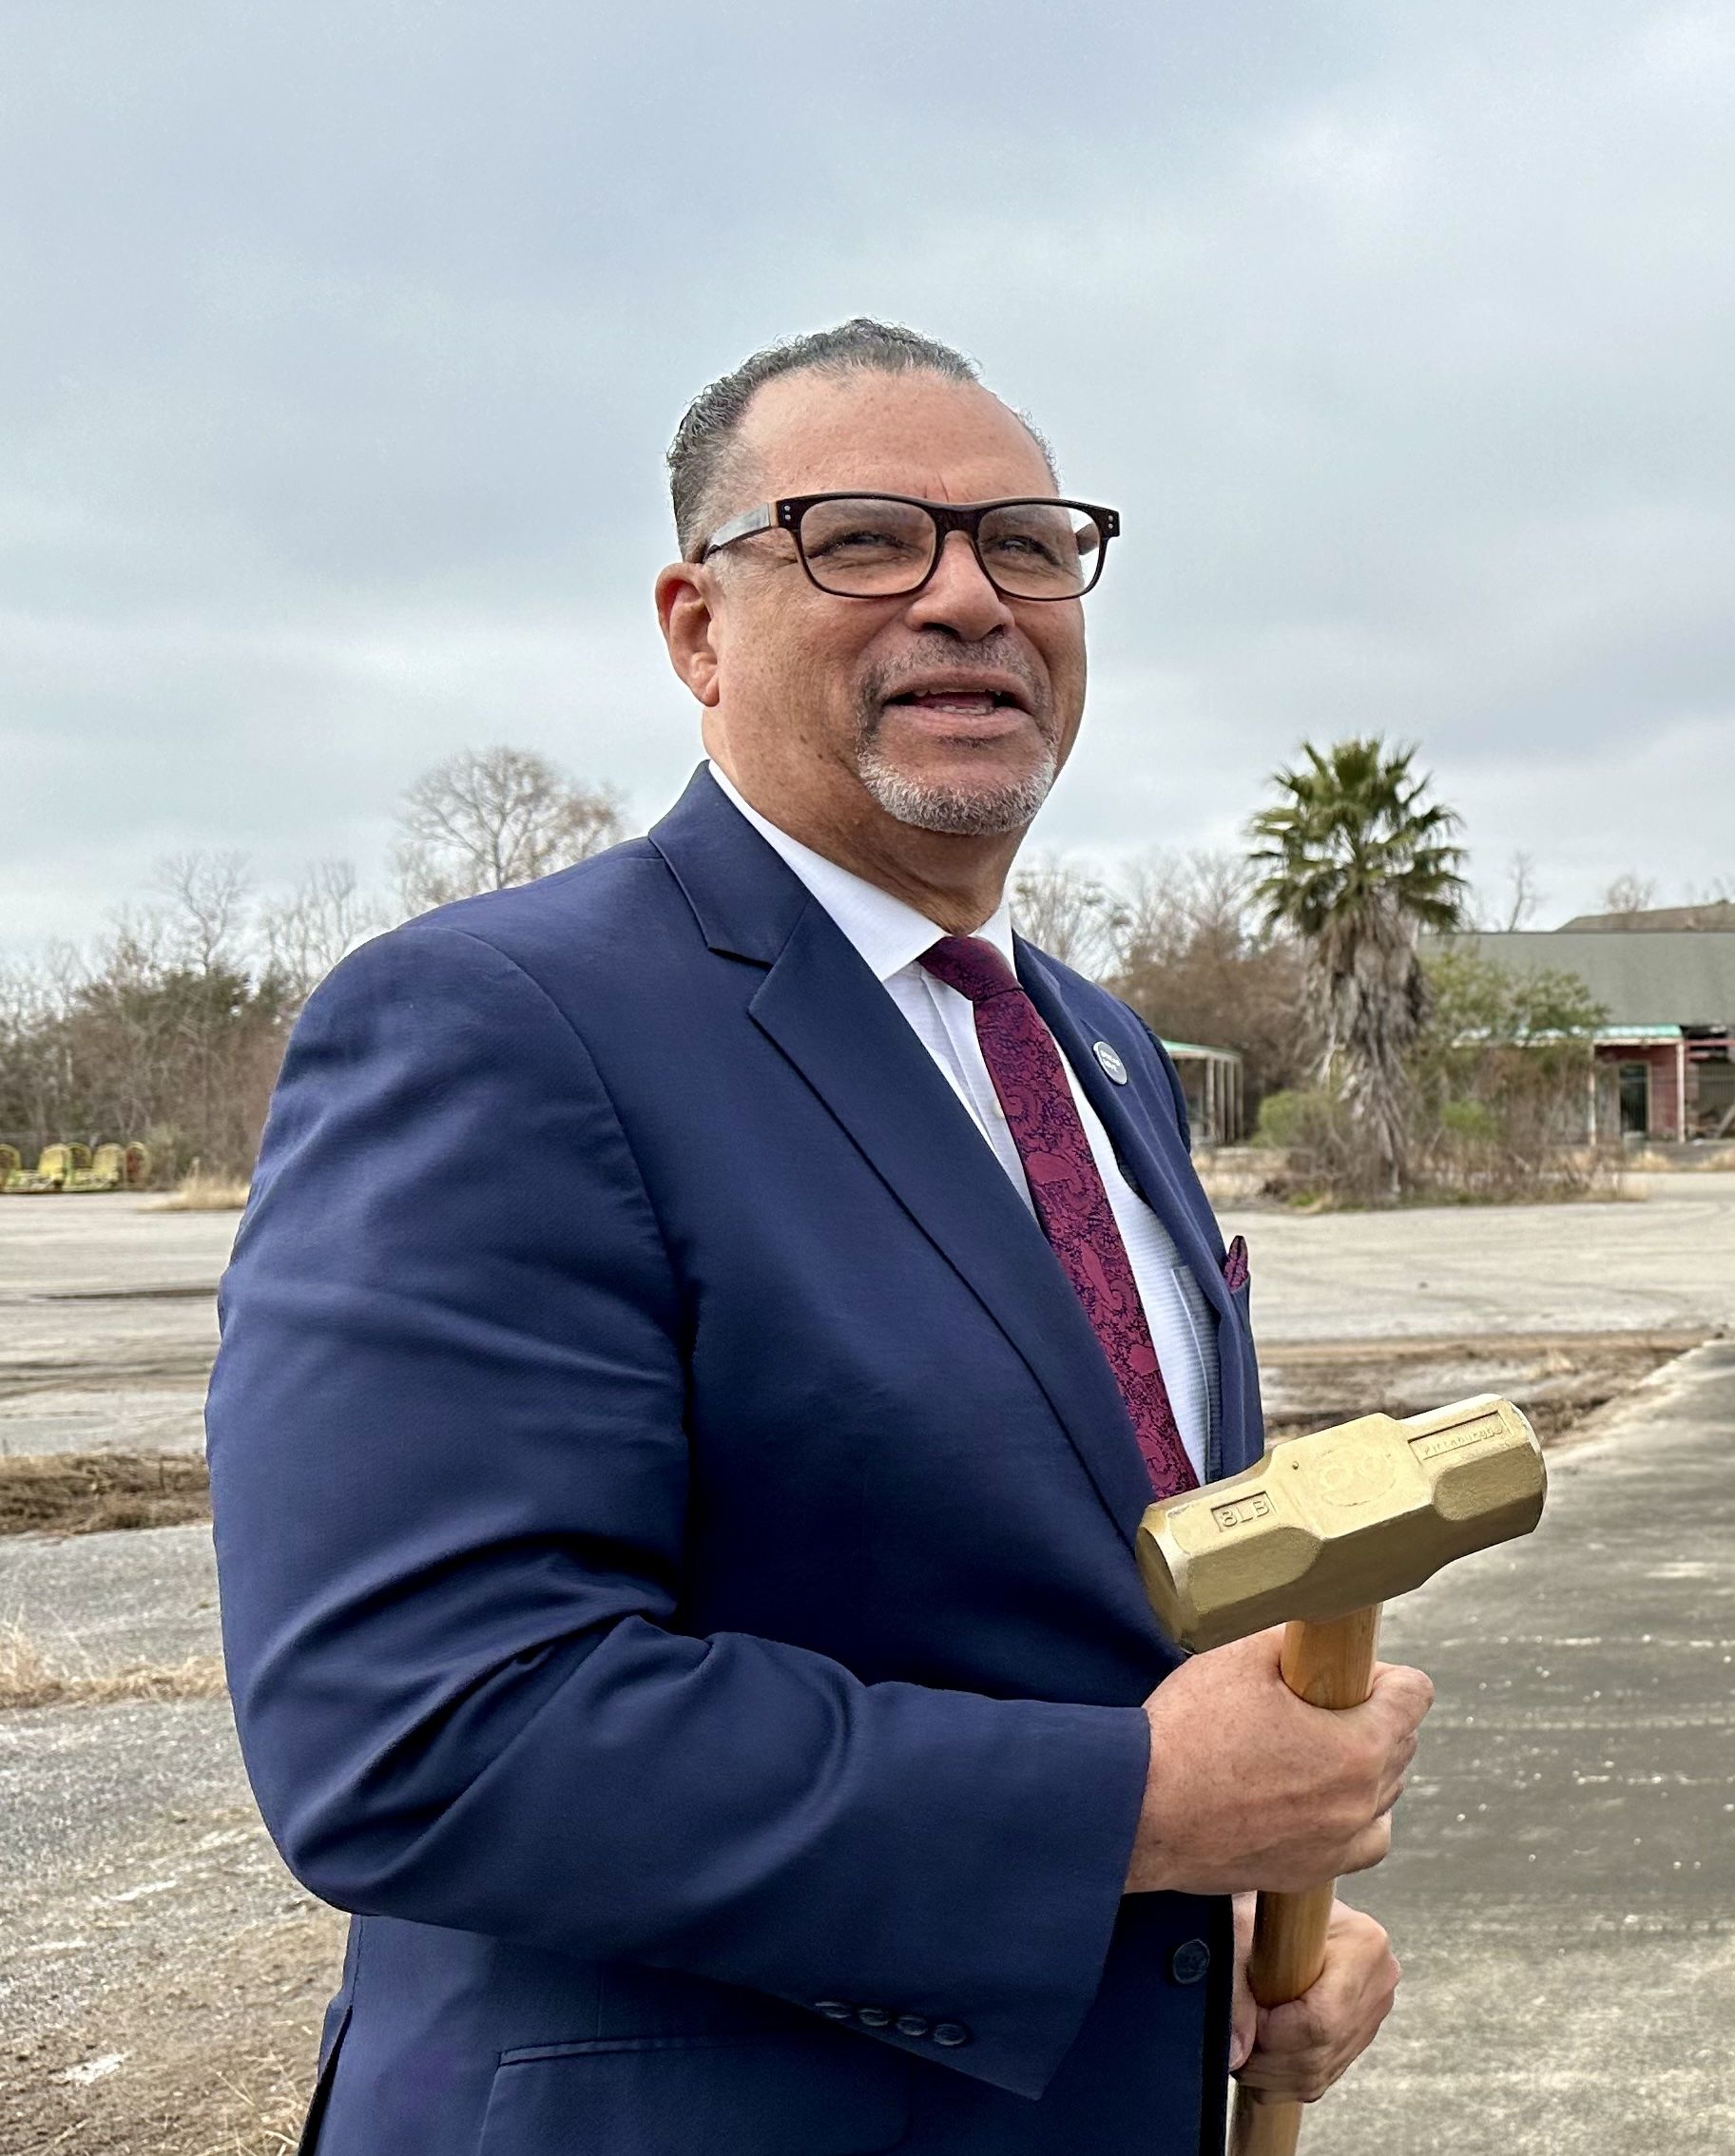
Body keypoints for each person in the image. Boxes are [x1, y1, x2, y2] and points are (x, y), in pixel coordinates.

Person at [209, 320, 1417, 2154]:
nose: (968, 599)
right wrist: (1132, 1812)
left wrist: (1234, 1920)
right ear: (698, 627)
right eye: (863, 539)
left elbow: (1101, 1620)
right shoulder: (502, 1023)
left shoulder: (1098, 1054)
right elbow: (422, 1732)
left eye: (1025, 543)